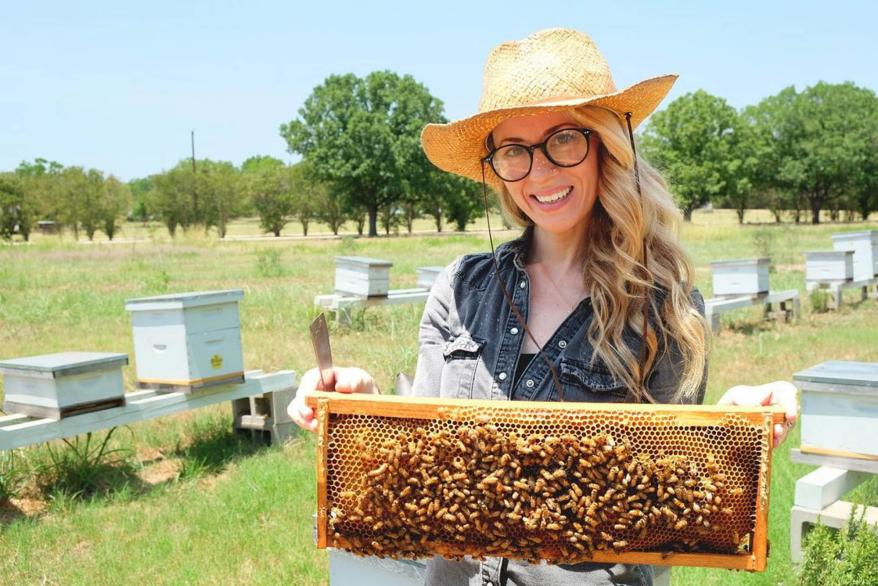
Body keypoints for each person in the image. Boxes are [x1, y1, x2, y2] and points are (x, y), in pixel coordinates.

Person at [289, 28, 798, 586]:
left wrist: (732, 427)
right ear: (497, 168)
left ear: (606, 143)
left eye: (564, 139)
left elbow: (666, 493)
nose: (541, 171)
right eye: (514, 152)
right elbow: (428, 449)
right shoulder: (459, 290)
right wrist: (364, 411)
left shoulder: (666, 310)